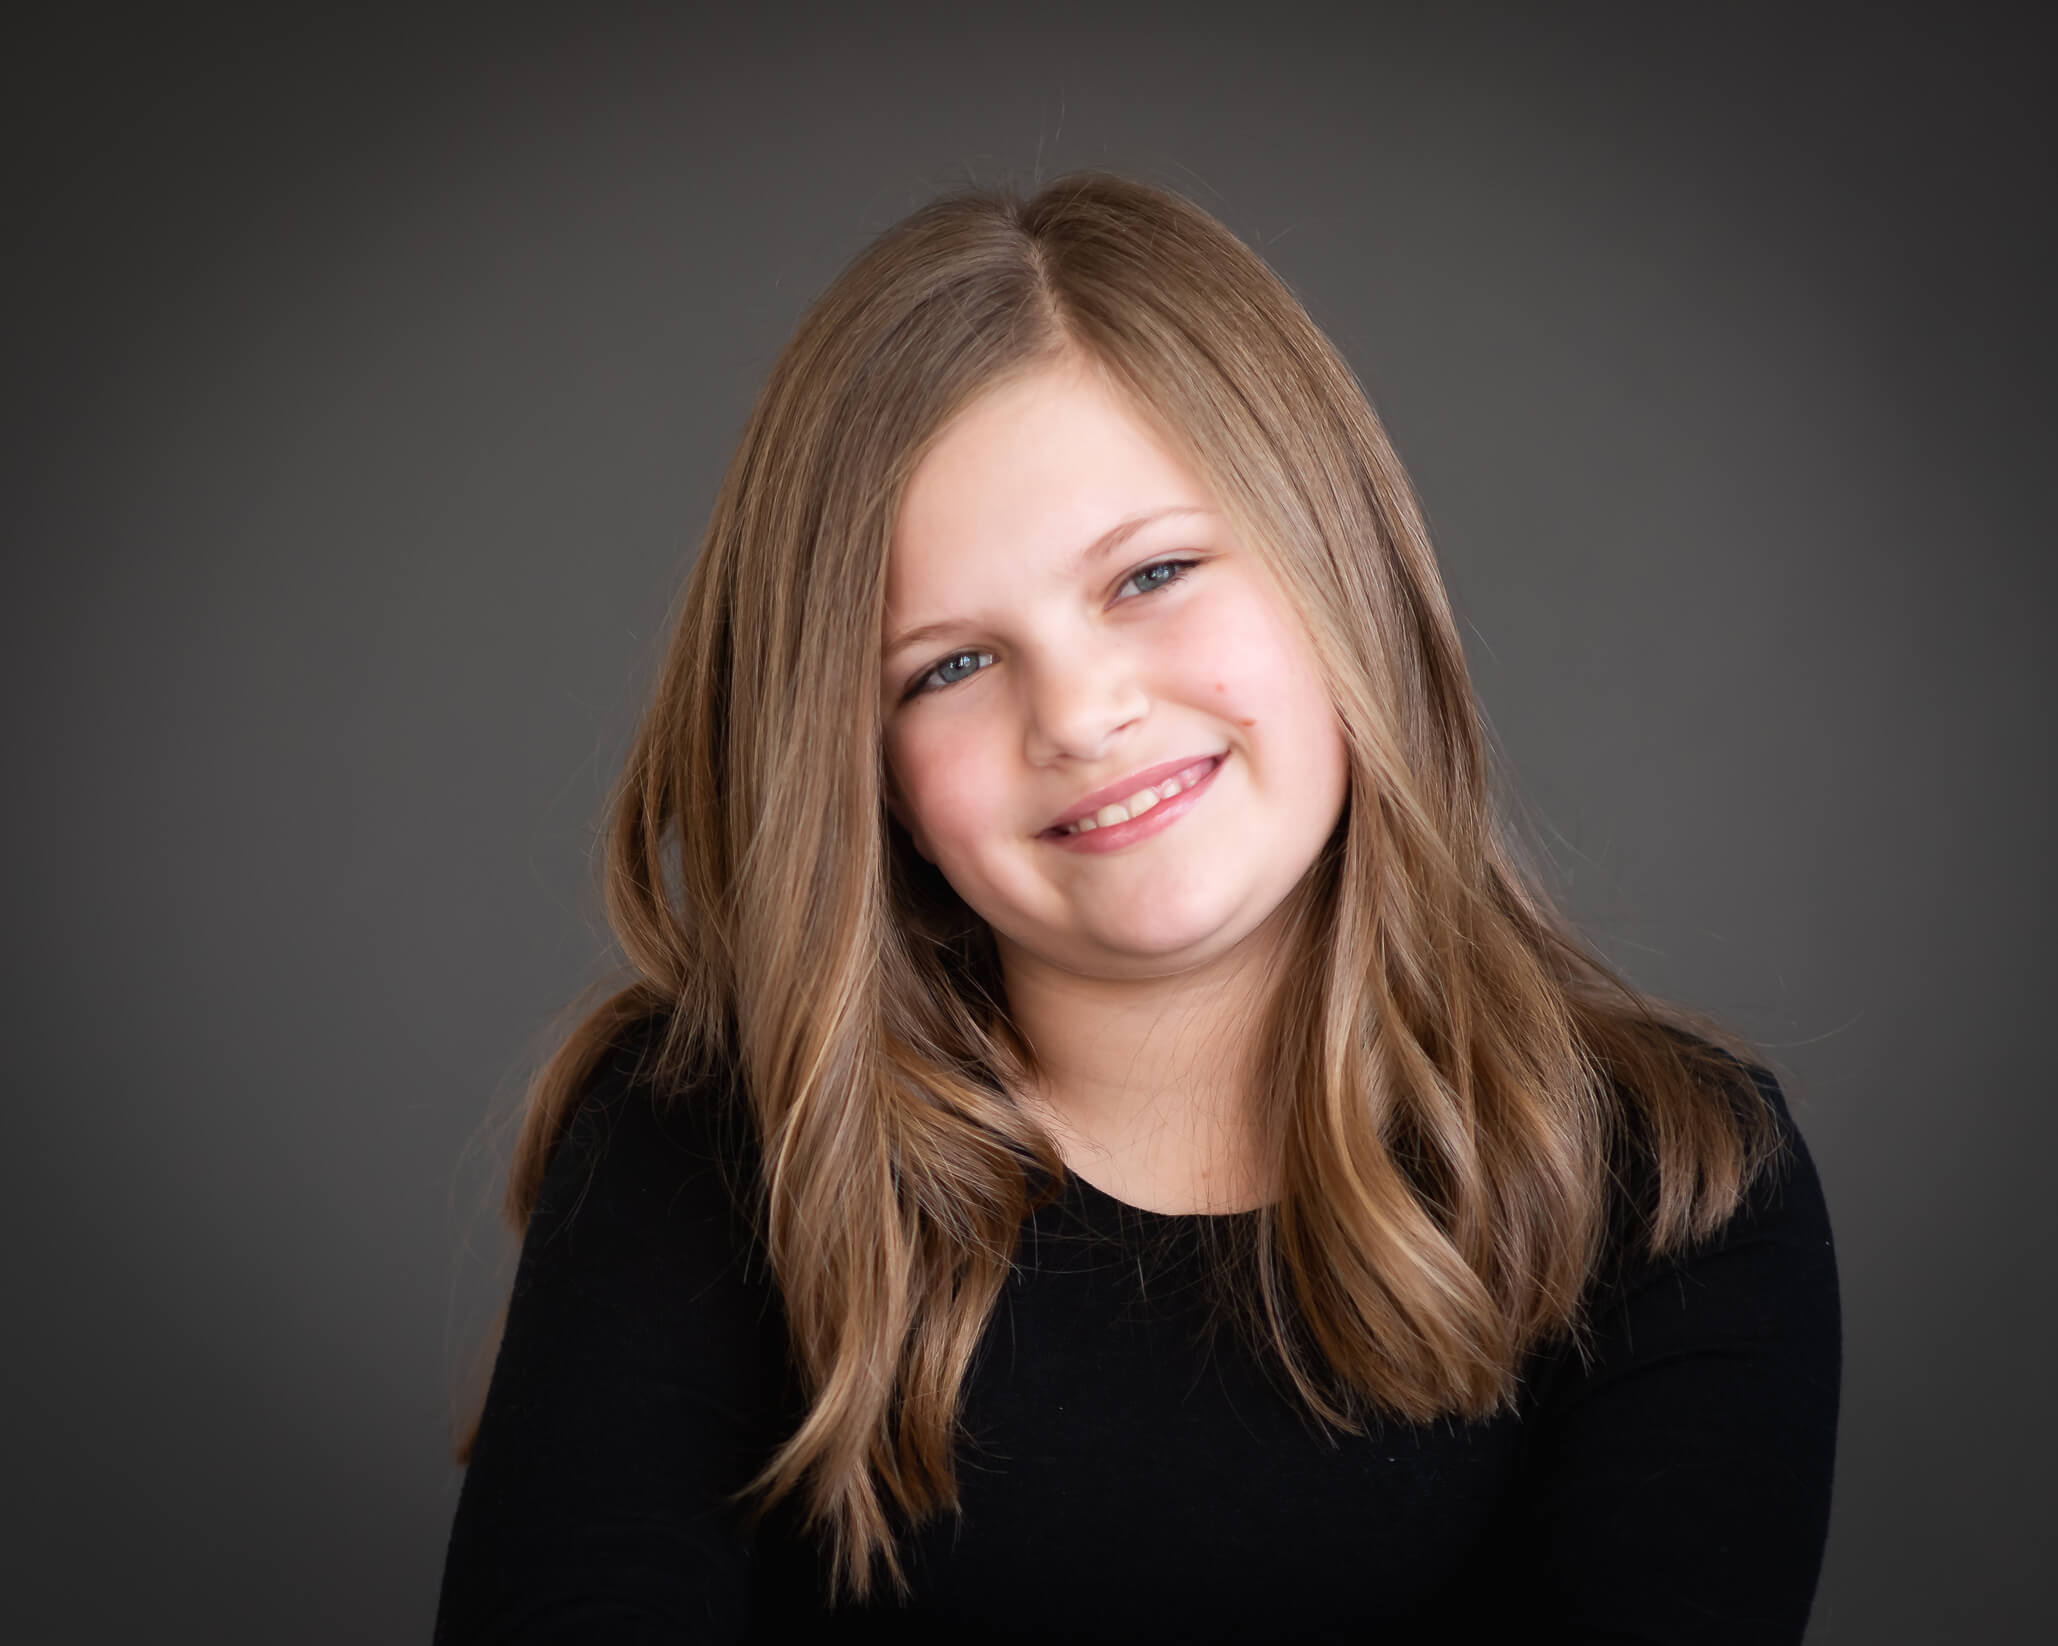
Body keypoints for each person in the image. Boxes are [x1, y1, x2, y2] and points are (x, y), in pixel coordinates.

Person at [432, 172, 1841, 1643]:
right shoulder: (708, 1142)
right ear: (867, 772)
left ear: (1337, 570)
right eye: (948, 666)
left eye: (1152, 573)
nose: (1083, 713)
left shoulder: (1672, 1186)